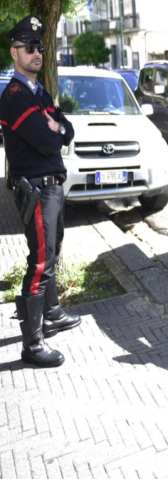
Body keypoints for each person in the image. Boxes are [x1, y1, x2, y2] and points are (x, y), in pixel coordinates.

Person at [0, 15, 80, 368]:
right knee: (40, 263)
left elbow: (66, 129)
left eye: (40, 47)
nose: (37, 53)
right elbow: (50, 141)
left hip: (51, 187)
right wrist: (56, 128)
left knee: (52, 252)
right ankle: (32, 346)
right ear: (13, 52)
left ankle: (53, 313)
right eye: (29, 47)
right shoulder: (16, 97)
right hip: (35, 189)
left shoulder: (38, 91)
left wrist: (58, 126)